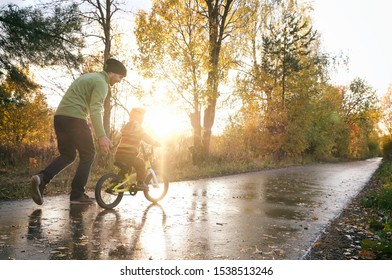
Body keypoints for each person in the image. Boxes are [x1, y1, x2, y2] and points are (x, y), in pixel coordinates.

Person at [31, 58, 127, 205]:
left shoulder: (87, 77)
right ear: (112, 73)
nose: (119, 80)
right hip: (74, 118)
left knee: (68, 154)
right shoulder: (102, 83)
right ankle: (77, 194)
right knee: (88, 154)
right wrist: (101, 136)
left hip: (60, 118)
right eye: (120, 77)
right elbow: (96, 108)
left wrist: (85, 120)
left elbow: (79, 101)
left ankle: (42, 178)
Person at [114, 108, 160, 190]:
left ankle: (116, 181)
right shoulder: (137, 126)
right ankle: (140, 183)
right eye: (142, 117)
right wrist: (155, 143)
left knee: (127, 169)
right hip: (128, 155)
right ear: (139, 117)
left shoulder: (127, 125)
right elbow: (146, 137)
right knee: (141, 164)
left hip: (118, 154)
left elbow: (131, 138)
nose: (143, 119)